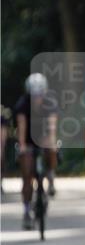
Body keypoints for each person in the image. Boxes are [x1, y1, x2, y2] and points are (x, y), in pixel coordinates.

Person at [14, 74, 59, 229]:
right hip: (27, 140)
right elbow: (21, 126)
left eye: (40, 94)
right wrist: (22, 146)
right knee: (27, 176)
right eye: (34, 95)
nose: (37, 98)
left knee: (52, 149)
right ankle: (26, 211)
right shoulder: (23, 104)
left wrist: (51, 142)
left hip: (44, 136)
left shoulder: (50, 104)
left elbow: (52, 126)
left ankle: (51, 176)